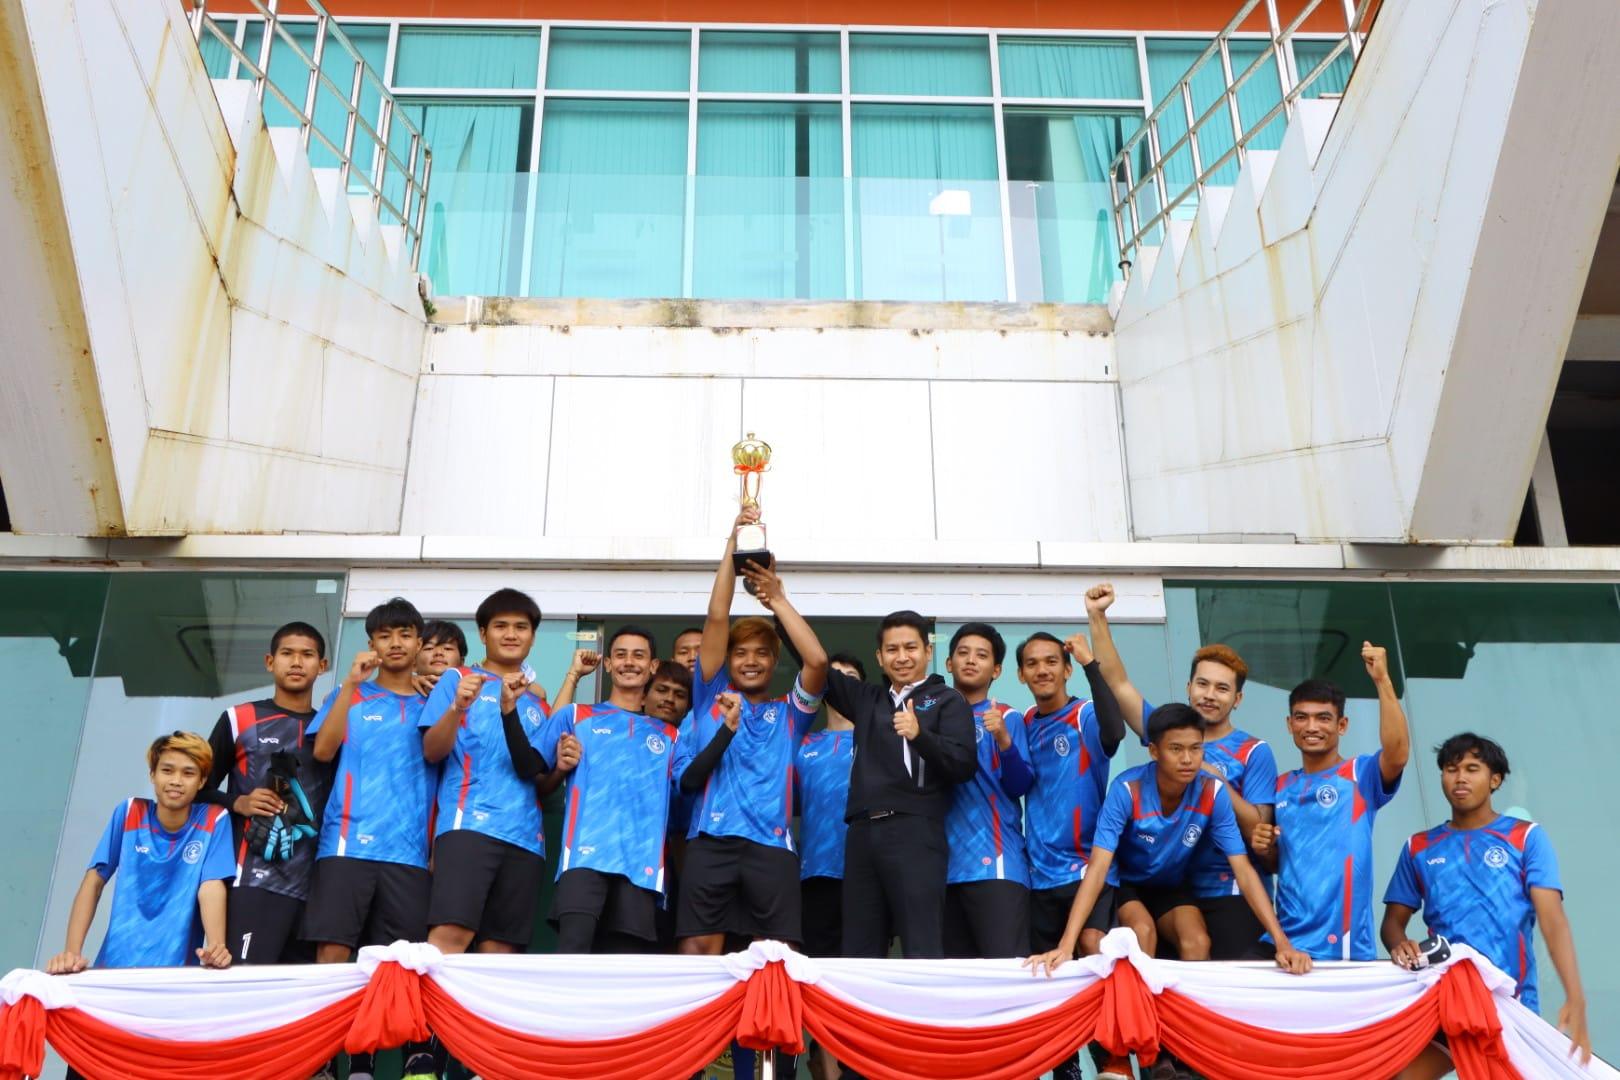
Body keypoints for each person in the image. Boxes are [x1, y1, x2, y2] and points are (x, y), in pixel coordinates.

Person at [1025, 704, 1311, 987]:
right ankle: (1140, 1016)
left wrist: (1282, 942)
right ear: (1154, 751)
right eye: (1176, 749)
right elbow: (1098, 867)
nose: (1187, 759)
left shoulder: (1212, 791)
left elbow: (1243, 870)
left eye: (1196, 748)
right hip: (1125, 883)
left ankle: (1189, 1016)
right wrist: (1066, 945)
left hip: (1169, 884)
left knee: (1197, 941)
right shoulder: (1127, 789)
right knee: (1142, 931)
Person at [1084, 585, 1280, 960]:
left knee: (1226, 985)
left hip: (1229, 891)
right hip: (1175, 891)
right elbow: (1118, 684)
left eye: (1222, 688)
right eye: (1202, 684)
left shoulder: (1254, 751)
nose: (1210, 694)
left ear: (1237, 698)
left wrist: (1214, 779)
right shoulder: (1169, 732)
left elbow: (1259, 830)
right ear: (1189, 687)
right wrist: (1097, 617)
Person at [1382, 733, 1590, 1074]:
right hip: (1446, 997)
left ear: (1495, 780)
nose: (1460, 778)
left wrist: (1575, 995)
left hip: (1509, 1002)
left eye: (1472, 769)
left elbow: (1552, 920)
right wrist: (1398, 945)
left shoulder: (1525, 838)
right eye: (1451, 769)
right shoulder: (1418, 847)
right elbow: (1392, 923)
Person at [677, 510, 828, 955]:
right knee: (699, 949)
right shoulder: (711, 695)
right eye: (740, 653)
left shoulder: (791, 713)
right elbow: (716, 616)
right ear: (728, 660)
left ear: (774, 660)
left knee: (776, 955)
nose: (750, 661)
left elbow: (817, 661)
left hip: (771, 846)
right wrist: (732, 544)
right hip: (711, 841)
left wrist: (776, 599)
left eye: (761, 653)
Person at [304, 597, 436, 1080]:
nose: (395, 643)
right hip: (346, 844)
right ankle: (323, 1060)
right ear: (372, 643)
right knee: (334, 955)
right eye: (385, 635)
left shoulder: (434, 701)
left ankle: (383, 1061)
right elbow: (322, 751)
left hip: (410, 853)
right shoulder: (352, 695)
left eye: (405, 634)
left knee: (400, 962)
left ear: (419, 643)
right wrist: (349, 685)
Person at [500, 626, 674, 953]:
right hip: (583, 860)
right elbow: (528, 765)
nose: (629, 662)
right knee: (572, 957)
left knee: (624, 968)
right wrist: (508, 712)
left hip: (641, 868)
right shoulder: (576, 715)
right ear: (607, 664)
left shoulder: (670, 735)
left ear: (653, 666)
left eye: (638, 655)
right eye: (620, 655)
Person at [823, 608, 975, 960]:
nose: (902, 657)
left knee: (921, 945)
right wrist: (779, 604)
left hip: (915, 830)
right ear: (879, 657)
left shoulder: (948, 699)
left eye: (910, 647)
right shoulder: (868, 700)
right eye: (892, 649)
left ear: (928, 651)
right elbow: (814, 661)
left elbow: (963, 765)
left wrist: (920, 735)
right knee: (859, 950)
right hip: (861, 832)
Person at [1250, 644, 1409, 962]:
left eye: (1323, 718)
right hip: (1287, 946)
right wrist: (1264, 848)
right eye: (1302, 718)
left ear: (1342, 725)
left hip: (1344, 948)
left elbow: (1397, 752)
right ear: (1289, 724)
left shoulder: (1360, 775)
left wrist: (1382, 680)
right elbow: (1277, 865)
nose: (1311, 727)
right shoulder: (1279, 787)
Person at [420, 589, 551, 959]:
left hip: (526, 839)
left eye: (521, 627)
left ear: (533, 636)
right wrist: (457, 707)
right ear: (482, 633)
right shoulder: (457, 679)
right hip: (469, 827)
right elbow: (432, 751)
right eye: (500, 626)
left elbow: (540, 780)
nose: (511, 634)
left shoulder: (539, 703)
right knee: (449, 938)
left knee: (501, 953)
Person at [197, 621, 331, 965]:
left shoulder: (329, 732)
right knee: (243, 982)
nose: (297, 662)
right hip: (253, 881)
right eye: (287, 653)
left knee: (296, 994)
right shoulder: (239, 718)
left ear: (322, 666)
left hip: (313, 887)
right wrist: (237, 802)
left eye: (307, 655)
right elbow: (196, 790)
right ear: (270, 662)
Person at [48, 732, 235, 975]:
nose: (176, 781)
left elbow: (211, 886)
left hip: (175, 974)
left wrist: (216, 947)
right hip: (115, 967)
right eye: (167, 770)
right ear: (152, 775)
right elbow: (94, 881)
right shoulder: (129, 812)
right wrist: (71, 953)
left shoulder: (214, 819)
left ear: (201, 782)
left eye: (188, 773)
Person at [942, 623, 1034, 958]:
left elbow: (1020, 784)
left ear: (996, 670)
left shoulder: (1007, 717)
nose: (970, 660)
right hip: (943, 871)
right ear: (948, 663)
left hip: (995, 865)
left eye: (981, 655)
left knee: (1005, 971)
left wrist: (1004, 741)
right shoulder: (932, 719)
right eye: (963, 653)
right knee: (954, 978)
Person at [795, 653, 862, 1080]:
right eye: (833, 678)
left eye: (849, 678)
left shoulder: (878, 741)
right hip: (816, 875)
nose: (840, 684)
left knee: (857, 985)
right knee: (820, 984)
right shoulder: (803, 745)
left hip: (866, 879)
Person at [413, 619, 468, 695]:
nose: (438, 653)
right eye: (429, 648)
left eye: (447, 648)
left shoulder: (476, 695)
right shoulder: (400, 694)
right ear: (413, 664)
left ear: (461, 662)